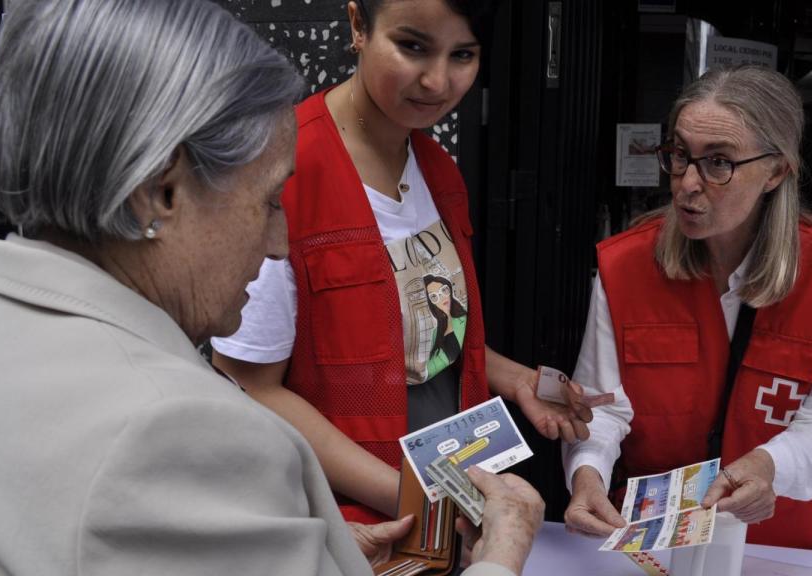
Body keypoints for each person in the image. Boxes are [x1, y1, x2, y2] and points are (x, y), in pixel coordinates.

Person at [0, 1, 542, 575]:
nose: (280, 243)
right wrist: (501, 557)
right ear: (160, 192)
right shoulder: (175, 433)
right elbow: (251, 386)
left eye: (463, 54)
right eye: (268, 202)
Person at [210, 0, 591, 524]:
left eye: (462, 54)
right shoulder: (288, 170)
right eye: (412, 47)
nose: (436, 81)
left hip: (449, 496)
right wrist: (409, 497)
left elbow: (421, 335)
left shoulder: (436, 167)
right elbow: (250, 385)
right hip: (343, 522)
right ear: (358, 26)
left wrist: (515, 378)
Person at [562, 65, 812, 551]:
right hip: (651, 541)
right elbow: (600, 407)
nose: (687, 184)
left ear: (776, 170)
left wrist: (769, 465)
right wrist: (586, 473)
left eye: (719, 163)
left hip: (778, 544)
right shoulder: (626, 264)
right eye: (679, 155)